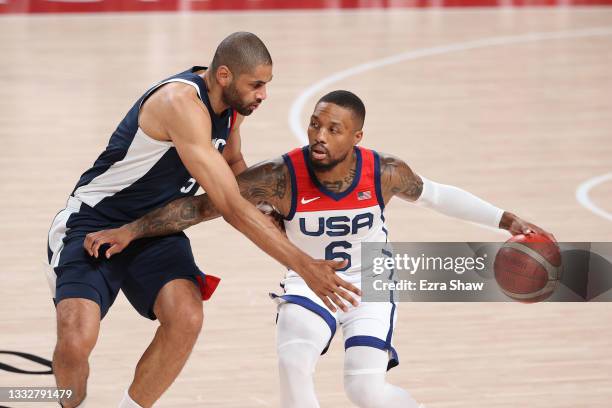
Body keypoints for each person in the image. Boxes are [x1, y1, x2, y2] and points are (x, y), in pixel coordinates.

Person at [85, 90, 555, 408]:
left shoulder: (385, 172)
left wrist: (506, 218)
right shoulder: (280, 176)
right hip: (308, 282)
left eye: (333, 129)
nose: (319, 136)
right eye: (315, 125)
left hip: (370, 284)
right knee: (293, 359)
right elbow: (203, 207)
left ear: (357, 137)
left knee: (364, 389)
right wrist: (134, 229)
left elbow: (436, 194)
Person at [46, 33, 359, 408]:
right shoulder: (180, 104)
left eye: (266, 85)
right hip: (96, 221)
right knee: (75, 341)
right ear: (224, 75)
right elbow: (228, 204)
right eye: (256, 85)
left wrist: (267, 213)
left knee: (186, 316)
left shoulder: (232, 107)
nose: (263, 95)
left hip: (157, 225)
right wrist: (304, 265)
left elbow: (233, 164)